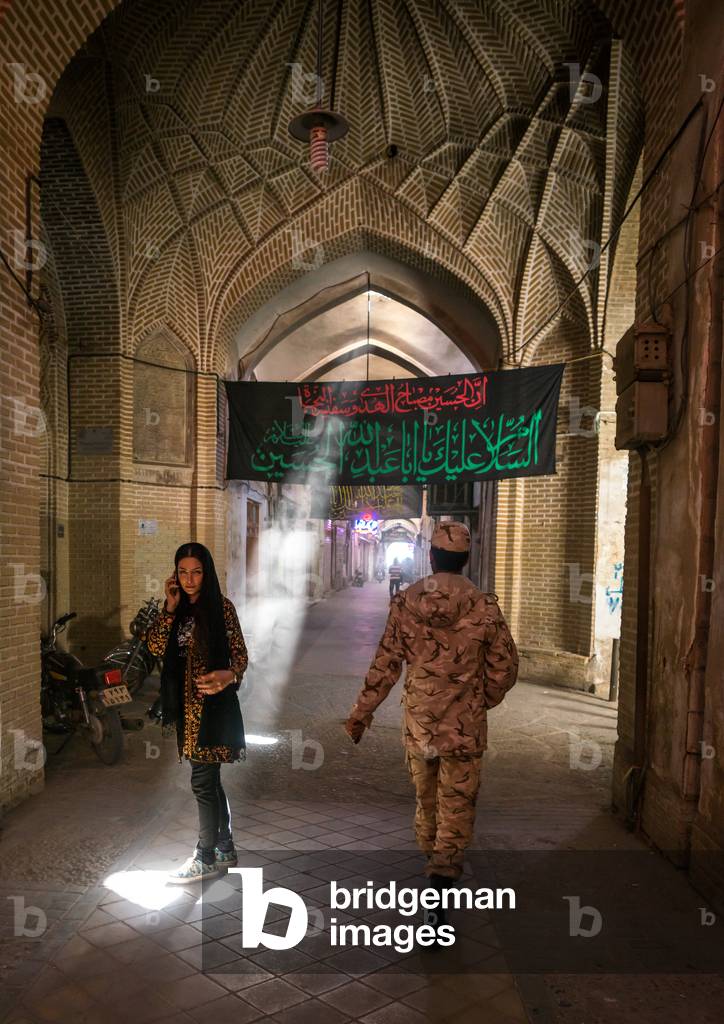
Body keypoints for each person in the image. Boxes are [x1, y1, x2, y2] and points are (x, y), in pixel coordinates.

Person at [344, 522, 518, 921]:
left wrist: (360, 715)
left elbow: (384, 666)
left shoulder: (405, 602)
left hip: (420, 724)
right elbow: (504, 667)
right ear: (466, 559)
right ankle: (441, 884)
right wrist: (478, 699)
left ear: (431, 557)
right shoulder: (484, 606)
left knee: (426, 803)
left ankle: (432, 865)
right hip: (465, 730)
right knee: (456, 807)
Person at [145, 542, 248, 883]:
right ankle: (225, 847)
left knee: (202, 783)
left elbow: (240, 656)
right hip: (187, 712)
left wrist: (228, 675)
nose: (189, 580)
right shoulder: (177, 610)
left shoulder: (222, 608)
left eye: (197, 572)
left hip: (213, 710)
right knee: (209, 781)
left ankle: (205, 855)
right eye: (183, 572)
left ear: (207, 572)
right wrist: (170, 608)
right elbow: (156, 647)